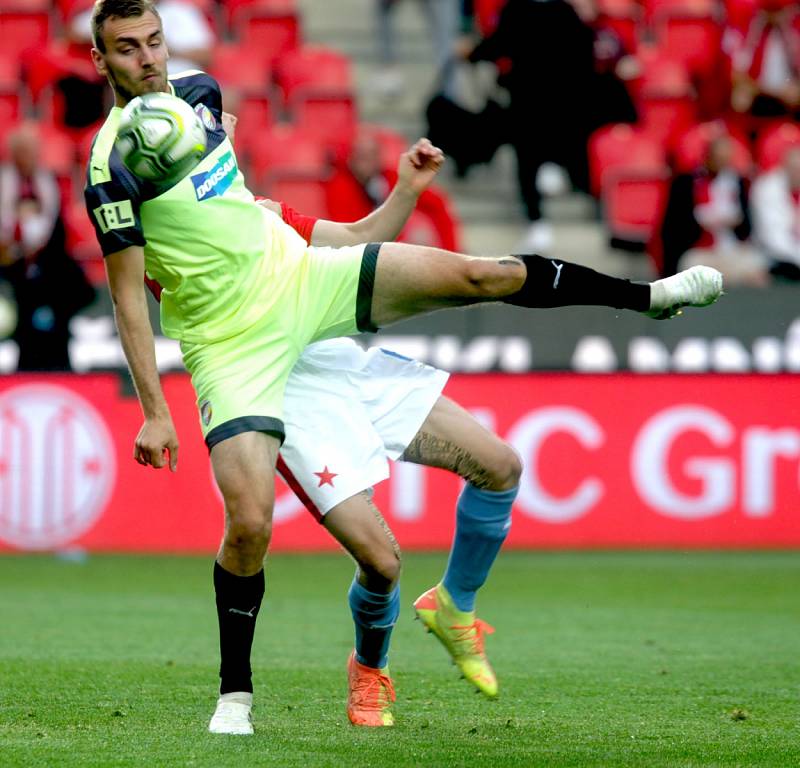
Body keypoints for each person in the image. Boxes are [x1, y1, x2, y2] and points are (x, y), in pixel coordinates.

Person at [84, 0, 723, 735]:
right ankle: (237, 697)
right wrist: (156, 410)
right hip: (235, 347)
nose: (148, 59)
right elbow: (127, 295)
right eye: (127, 49)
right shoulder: (111, 169)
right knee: (264, 527)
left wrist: (407, 191)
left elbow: (336, 230)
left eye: (155, 42)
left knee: (483, 282)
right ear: (101, 62)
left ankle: (648, 296)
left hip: (301, 283)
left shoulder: (206, 106)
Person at [461, 0, 599, 252]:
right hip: (556, 101)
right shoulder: (565, 12)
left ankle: (537, 221)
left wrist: (472, 53)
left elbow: (497, 45)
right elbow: (586, 52)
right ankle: (553, 182)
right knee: (540, 155)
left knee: (527, 162)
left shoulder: (518, 10)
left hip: (529, 100)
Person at [0, 122, 95, 370]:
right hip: (12, 274)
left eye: (31, 151)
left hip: (50, 276)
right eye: (21, 151)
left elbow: (59, 232)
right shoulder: (5, 184)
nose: (26, 157)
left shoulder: (48, 184)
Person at [325, 126, 461, 251]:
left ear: (379, 157)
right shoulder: (340, 186)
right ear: (351, 158)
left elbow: (436, 204)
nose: (366, 161)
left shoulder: (391, 178)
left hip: (389, 248)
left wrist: (450, 251)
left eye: (371, 154)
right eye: (361, 155)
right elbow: (350, 234)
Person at [660, 132, 767, 286]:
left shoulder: (737, 183)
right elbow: (674, 226)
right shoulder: (686, 183)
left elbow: (746, 226)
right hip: (700, 249)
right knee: (693, 268)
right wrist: (703, 221)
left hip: (731, 248)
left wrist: (735, 222)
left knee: (757, 266)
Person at [750, 144, 800, 280]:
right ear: (784, 168)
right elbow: (774, 238)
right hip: (770, 255)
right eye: (795, 169)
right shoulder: (767, 188)